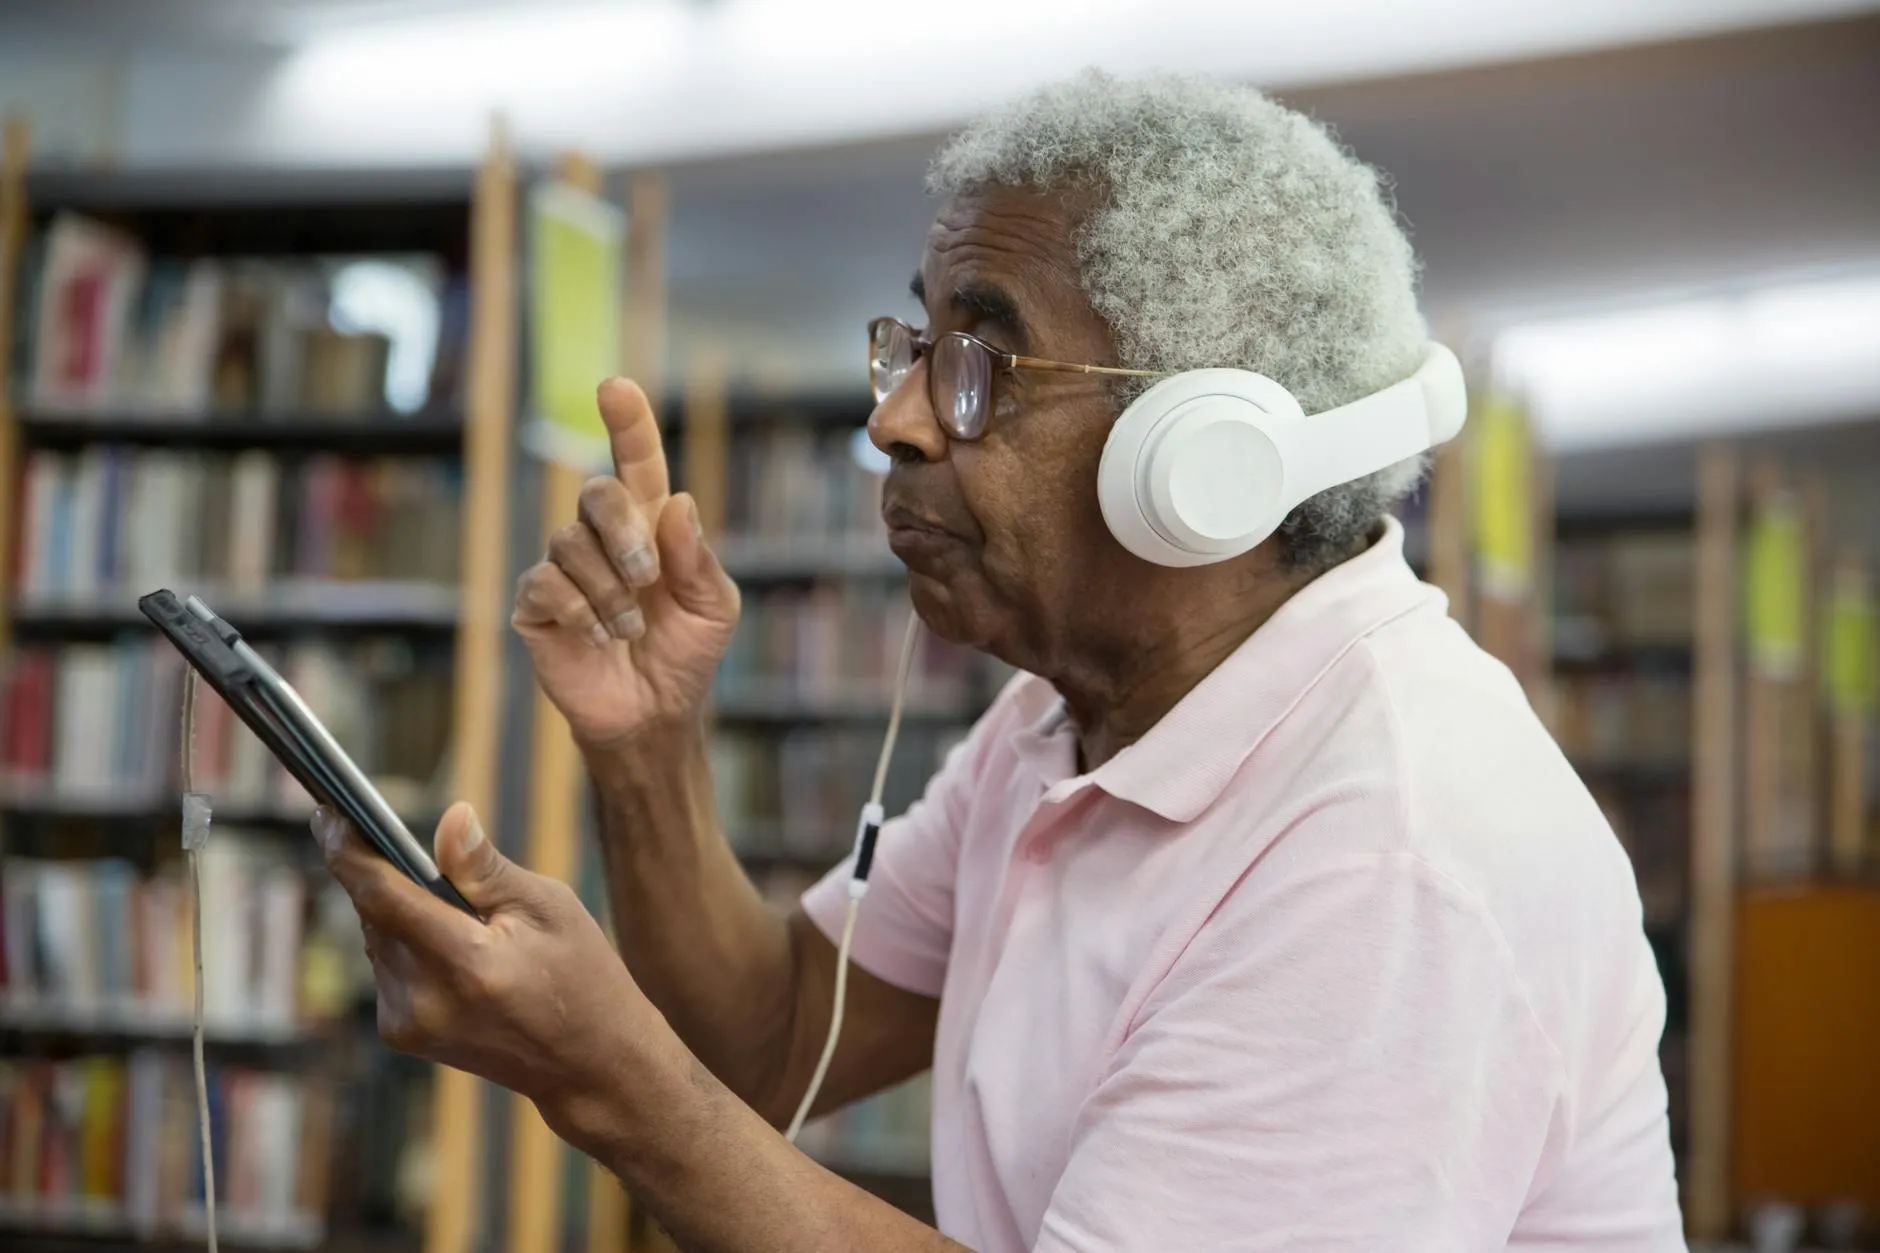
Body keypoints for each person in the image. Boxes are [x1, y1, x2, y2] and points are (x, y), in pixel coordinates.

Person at [312, 71, 1685, 1251]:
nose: (899, 421)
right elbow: (780, 1037)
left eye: (984, 363)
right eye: (915, 344)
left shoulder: (1394, 854)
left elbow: (701, 1084)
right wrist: (649, 745)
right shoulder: (1059, 722)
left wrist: (606, 1073)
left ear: (1206, 464)